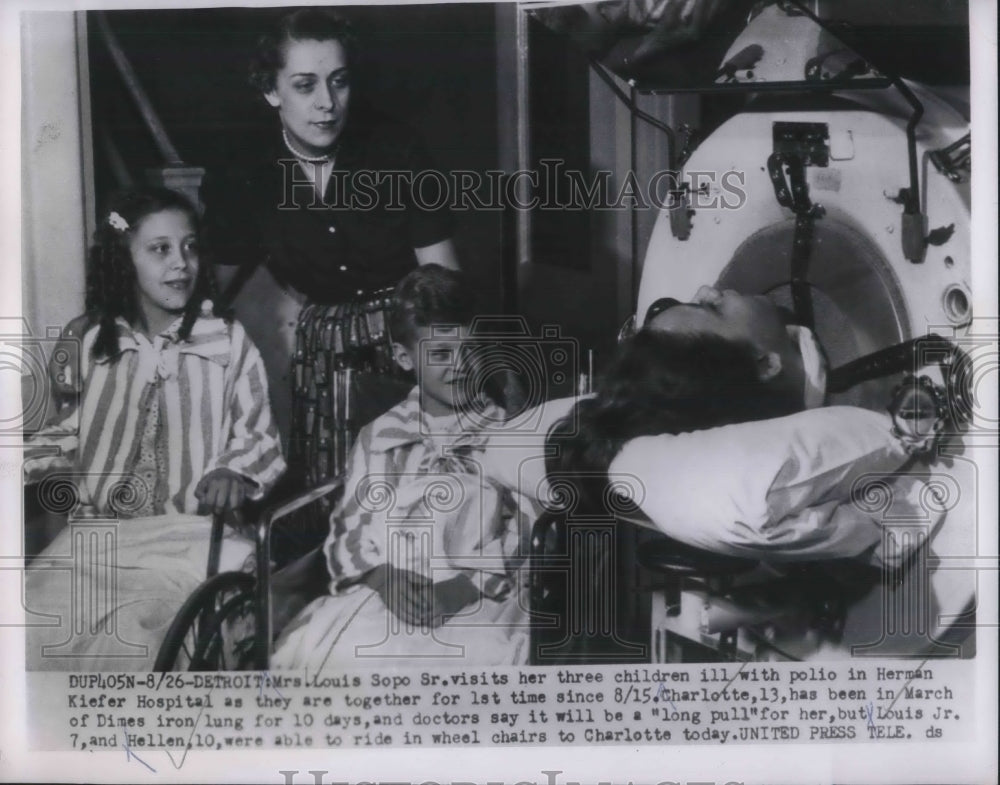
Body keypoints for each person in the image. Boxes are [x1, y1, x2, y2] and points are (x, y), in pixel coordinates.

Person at [23, 186, 285, 671]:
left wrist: (233, 470)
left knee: (131, 639)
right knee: (31, 623)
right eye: (160, 249)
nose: (180, 263)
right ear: (125, 260)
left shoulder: (227, 342)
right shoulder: (94, 341)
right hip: (99, 540)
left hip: (192, 536)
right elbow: (69, 432)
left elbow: (259, 436)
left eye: (189, 246)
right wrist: (21, 463)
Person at [271, 265, 538, 670]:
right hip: (392, 584)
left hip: (481, 592)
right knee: (328, 651)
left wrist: (464, 588)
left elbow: (527, 529)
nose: (461, 365)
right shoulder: (380, 436)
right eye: (442, 354)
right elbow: (351, 528)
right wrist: (381, 577)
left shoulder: (506, 433)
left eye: (471, 349)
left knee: (474, 657)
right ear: (403, 357)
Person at [203, 8, 459, 303]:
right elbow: (220, 284)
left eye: (339, 81)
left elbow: (444, 285)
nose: (327, 102)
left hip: (410, 329)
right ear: (271, 90)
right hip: (318, 338)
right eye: (305, 86)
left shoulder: (397, 150)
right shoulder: (244, 169)